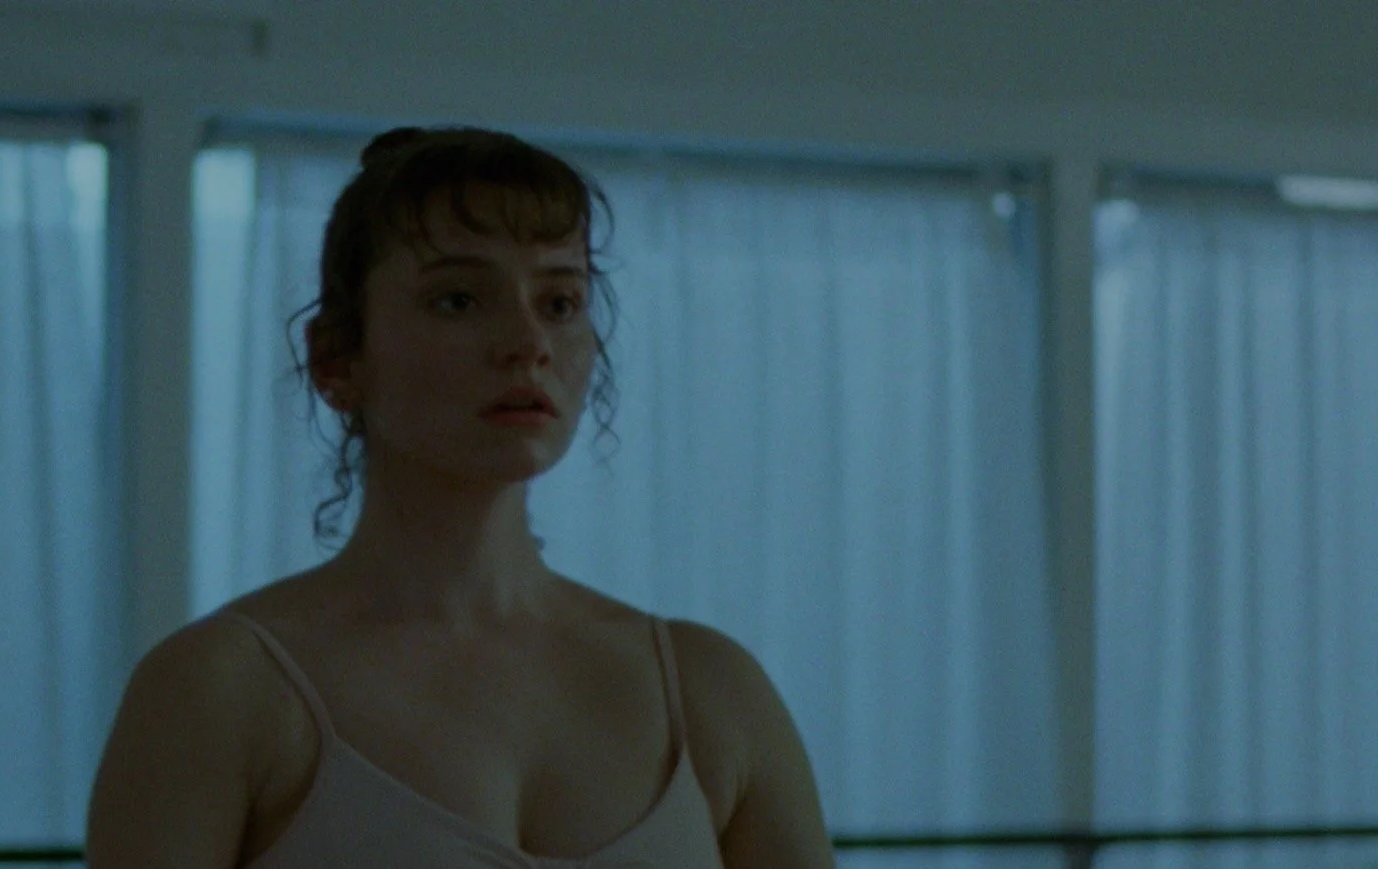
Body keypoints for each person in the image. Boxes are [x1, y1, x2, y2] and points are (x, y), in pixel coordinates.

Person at [87, 126, 835, 868]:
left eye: (560, 302)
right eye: (458, 300)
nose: (526, 342)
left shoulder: (709, 693)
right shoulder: (221, 689)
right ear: (337, 358)